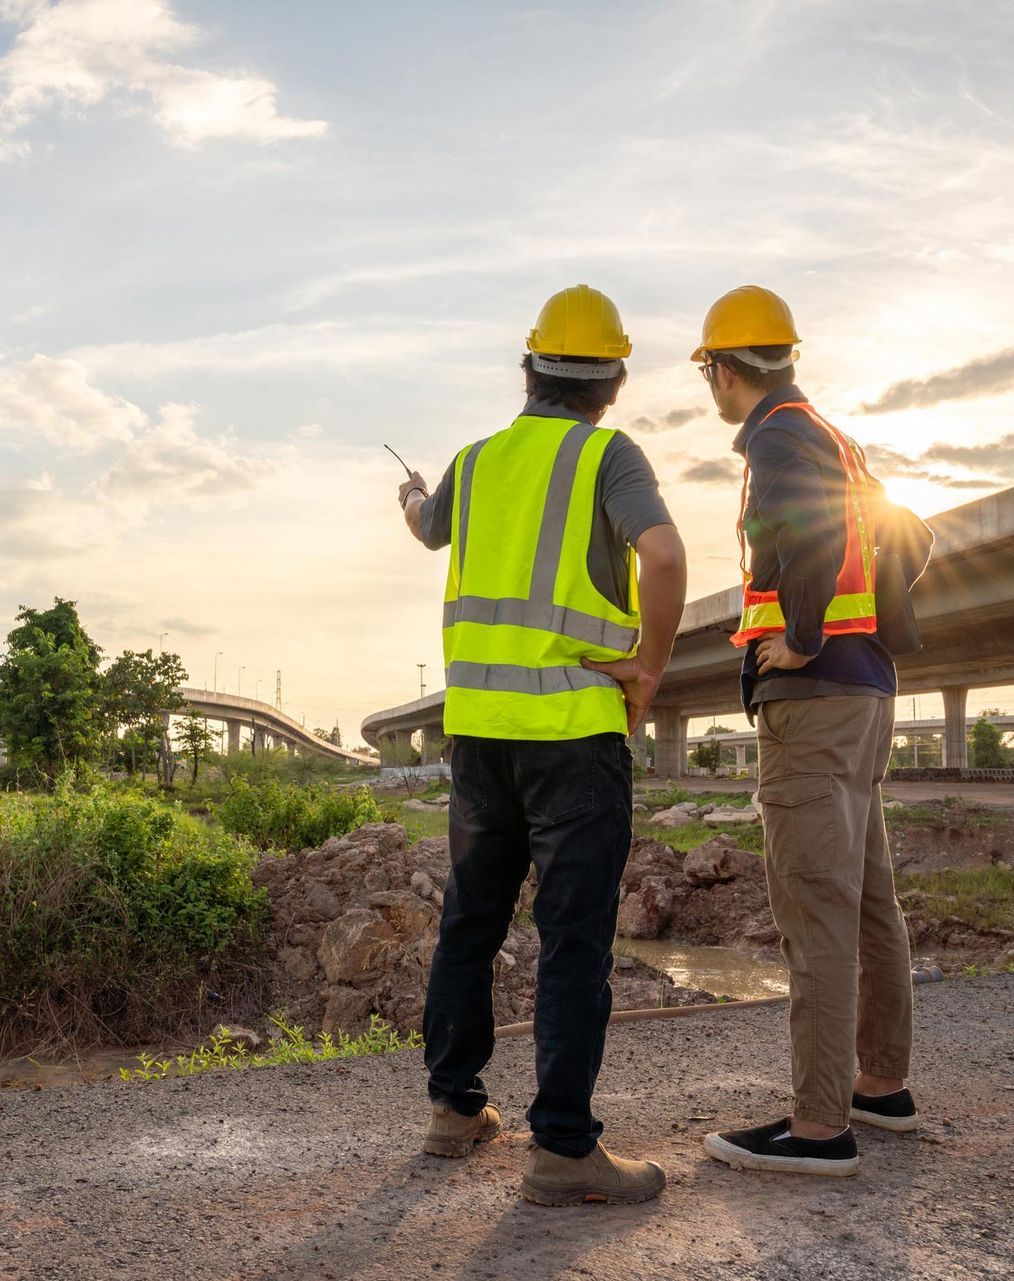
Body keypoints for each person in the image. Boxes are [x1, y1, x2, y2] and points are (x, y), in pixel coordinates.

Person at [397, 284, 688, 1206]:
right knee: (571, 942)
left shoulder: (475, 462)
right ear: (613, 383)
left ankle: (454, 1109)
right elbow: (668, 555)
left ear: (527, 369)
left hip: (480, 736)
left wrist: (412, 496)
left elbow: (426, 525)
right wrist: (647, 668)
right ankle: (562, 1150)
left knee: (470, 923)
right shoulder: (610, 455)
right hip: (573, 734)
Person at [689, 286, 927, 1178]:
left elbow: (816, 535)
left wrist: (800, 632)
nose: (710, 386)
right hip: (865, 693)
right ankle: (880, 1084)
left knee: (816, 908)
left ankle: (821, 1127)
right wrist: (835, 624)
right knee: (868, 898)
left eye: (709, 369)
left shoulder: (780, 436)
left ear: (725, 369)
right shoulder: (837, 438)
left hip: (818, 701)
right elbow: (918, 535)